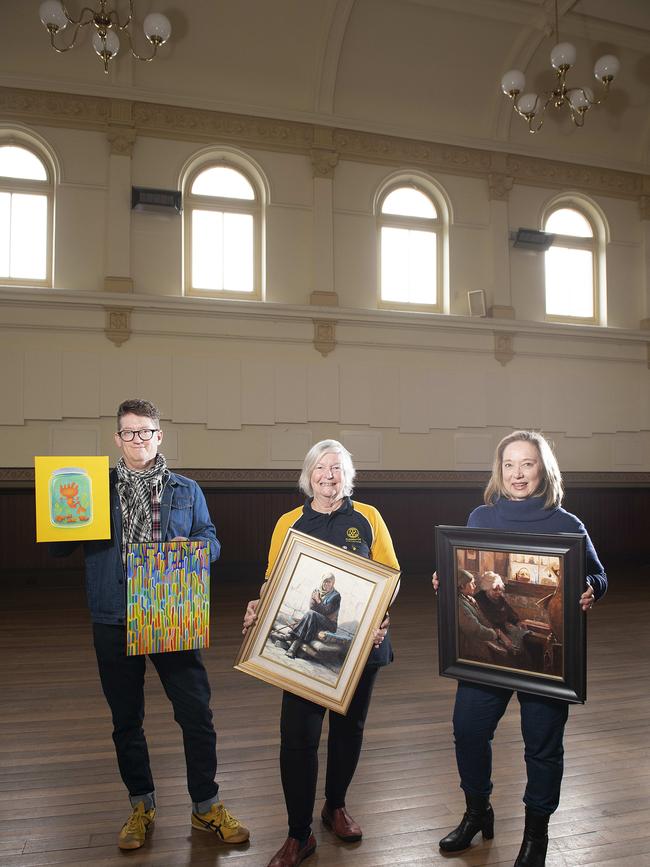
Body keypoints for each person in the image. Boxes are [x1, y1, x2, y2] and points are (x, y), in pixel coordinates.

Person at [50, 399, 249, 851]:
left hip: (170, 608)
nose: (137, 439)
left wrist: (192, 549)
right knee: (126, 720)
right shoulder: (91, 488)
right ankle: (141, 805)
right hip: (113, 614)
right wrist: (67, 519)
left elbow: (211, 541)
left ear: (159, 436)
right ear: (117, 439)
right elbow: (58, 551)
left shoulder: (187, 490)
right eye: (128, 432)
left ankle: (206, 807)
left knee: (197, 714)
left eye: (145, 432)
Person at [433, 430, 606, 867]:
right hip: (482, 661)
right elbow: (460, 574)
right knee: (468, 731)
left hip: (548, 673)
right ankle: (477, 813)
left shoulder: (567, 524)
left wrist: (589, 589)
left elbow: (598, 576)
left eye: (527, 464)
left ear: (542, 469)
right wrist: (446, 583)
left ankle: (537, 837)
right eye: (509, 464)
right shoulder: (479, 517)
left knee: (542, 745)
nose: (517, 473)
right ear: (500, 470)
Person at [242, 439, 399, 867]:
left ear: (349, 476)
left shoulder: (368, 518)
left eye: (337, 469)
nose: (329, 476)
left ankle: (335, 807)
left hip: (363, 648)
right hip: (305, 667)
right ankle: (299, 835)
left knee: (349, 731)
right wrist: (261, 604)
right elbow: (272, 579)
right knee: (298, 739)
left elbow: (391, 575)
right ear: (308, 475)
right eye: (321, 469)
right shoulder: (288, 522)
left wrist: (381, 616)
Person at [457, 570, 512, 662]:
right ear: (462, 586)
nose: (475, 586)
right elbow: (474, 629)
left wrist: (496, 632)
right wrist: (494, 634)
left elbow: (483, 619)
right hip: (468, 645)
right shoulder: (459, 605)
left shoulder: (469, 599)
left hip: (485, 636)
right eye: (472, 583)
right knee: (499, 658)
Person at [285, 572, 341, 659]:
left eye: (329, 582)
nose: (326, 584)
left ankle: (293, 636)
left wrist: (318, 600)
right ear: (322, 582)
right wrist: (317, 602)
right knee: (311, 615)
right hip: (315, 619)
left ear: (333, 583)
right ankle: (292, 650)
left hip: (329, 624)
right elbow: (312, 607)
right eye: (325, 581)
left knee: (311, 614)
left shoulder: (336, 596)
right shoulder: (316, 591)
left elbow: (327, 611)